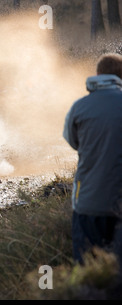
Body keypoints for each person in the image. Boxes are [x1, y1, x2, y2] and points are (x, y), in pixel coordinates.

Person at [63, 53, 122, 265]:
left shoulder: (79, 107)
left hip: (89, 202)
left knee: (88, 270)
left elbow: (73, 142)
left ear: (98, 75)